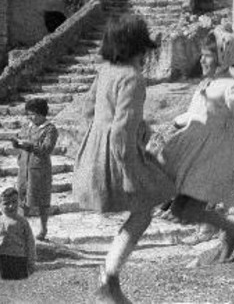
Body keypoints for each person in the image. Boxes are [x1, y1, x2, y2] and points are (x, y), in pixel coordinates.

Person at [73, 15, 176, 302]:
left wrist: (91, 142)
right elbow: (122, 132)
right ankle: (109, 275)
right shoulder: (133, 79)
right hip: (118, 155)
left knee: (146, 205)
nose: (146, 56)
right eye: (143, 50)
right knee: (145, 208)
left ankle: (109, 275)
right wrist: (129, 172)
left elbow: (87, 109)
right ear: (136, 49)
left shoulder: (105, 70)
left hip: (97, 148)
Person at [158, 26, 234, 261]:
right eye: (202, 55)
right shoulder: (205, 85)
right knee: (180, 210)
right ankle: (230, 228)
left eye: (208, 55)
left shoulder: (232, 87)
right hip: (192, 146)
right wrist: (173, 122)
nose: (202, 60)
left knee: (184, 207)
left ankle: (232, 230)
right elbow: (194, 114)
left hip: (210, 154)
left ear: (222, 59)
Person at [12, 98, 57, 241]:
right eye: (29, 114)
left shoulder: (50, 129)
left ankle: (43, 229)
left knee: (42, 200)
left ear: (41, 113)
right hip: (24, 167)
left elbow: (46, 149)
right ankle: (21, 230)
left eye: (33, 114)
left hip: (39, 170)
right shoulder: (28, 126)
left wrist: (29, 146)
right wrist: (17, 144)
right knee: (22, 198)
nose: (30, 117)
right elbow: (21, 139)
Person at [0, 187, 35, 280]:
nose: (11, 206)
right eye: (6, 203)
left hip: (19, 260)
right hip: (3, 259)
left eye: (14, 202)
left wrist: (31, 261)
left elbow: (30, 242)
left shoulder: (22, 222)